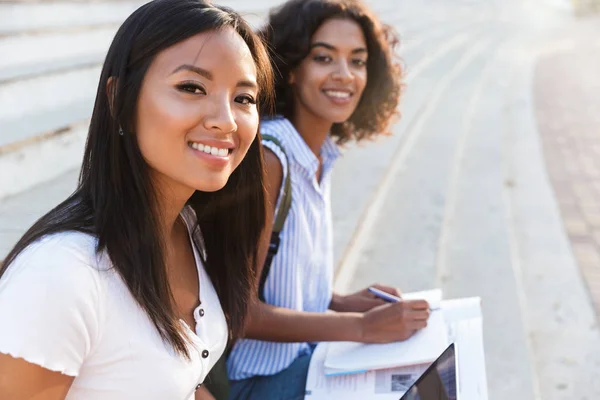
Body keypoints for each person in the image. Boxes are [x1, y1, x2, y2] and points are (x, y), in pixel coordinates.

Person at [0, 0, 273, 399]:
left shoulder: (188, 227)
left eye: (243, 98)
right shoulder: (63, 273)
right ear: (119, 100)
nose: (226, 120)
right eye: (192, 88)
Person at [226, 1, 431, 399]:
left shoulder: (317, 155)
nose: (344, 75)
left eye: (357, 61)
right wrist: (361, 328)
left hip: (305, 360)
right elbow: (240, 312)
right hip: (256, 382)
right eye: (324, 57)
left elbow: (279, 281)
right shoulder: (271, 158)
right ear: (291, 68)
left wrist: (339, 302)